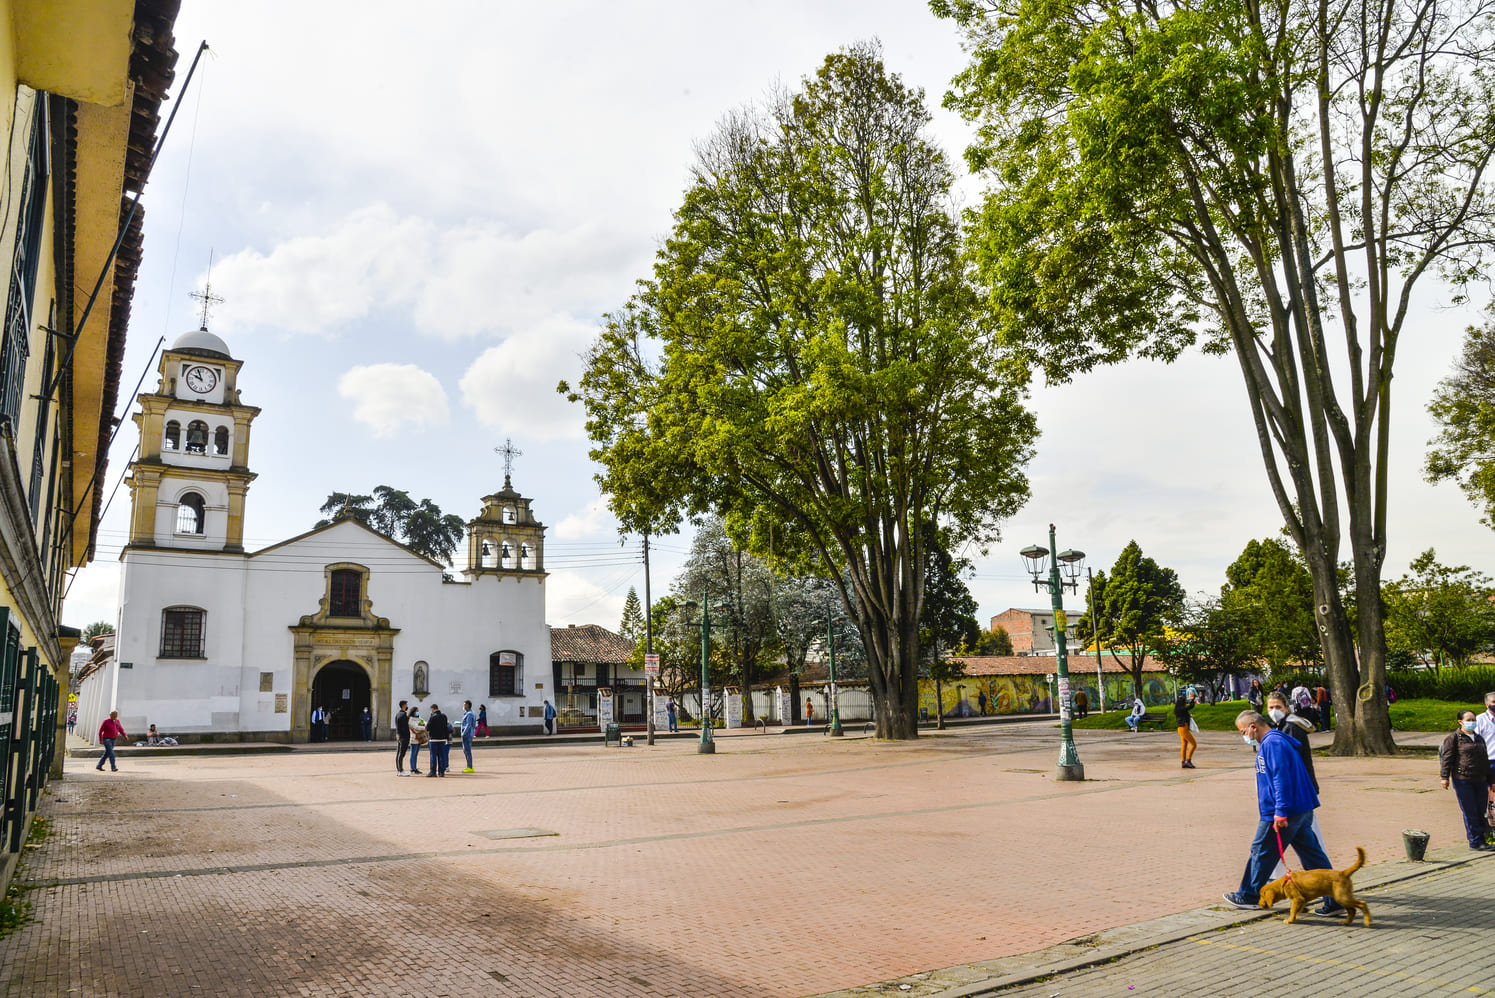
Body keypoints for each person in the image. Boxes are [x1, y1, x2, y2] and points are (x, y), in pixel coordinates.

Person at [1222, 710, 1337, 909]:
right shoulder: (1276, 742)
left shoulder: (1272, 744)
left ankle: (1249, 895)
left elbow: (1281, 779)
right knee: (1312, 855)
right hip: (1299, 808)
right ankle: (1335, 898)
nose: (1244, 736)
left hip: (1284, 810)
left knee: (1261, 850)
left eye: (1243, 732)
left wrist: (1280, 811)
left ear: (1253, 727)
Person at [1439, 709, 1492, 851]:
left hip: (1480, 779)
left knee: (1481, 810)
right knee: (1470, 811)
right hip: (1463, 780)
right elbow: (1447, 759)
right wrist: (1444, 777)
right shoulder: (1454, 738)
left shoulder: (1479, 738)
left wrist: (1491, 780)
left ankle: (1482, 839)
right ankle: (1475, 842)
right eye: (1468, 720)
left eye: (1474, 720)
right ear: (1460, 722)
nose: (1472, 723)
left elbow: (1485, 760)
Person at [1265, 691, 1318, 793]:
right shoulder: (1281, 725)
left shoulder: (1291, 727)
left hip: (1299, 783)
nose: (1274, 711)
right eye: (1271, 708)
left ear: (1286, 708)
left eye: (1278, 707)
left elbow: (1290, 759)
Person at [1473, 692, 1495, 777]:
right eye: (1494, 702)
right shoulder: (1479, 720)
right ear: (1487, 704)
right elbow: (1474, 741)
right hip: (1488, 761)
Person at [426, 704, 450, 777]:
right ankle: (441, 772)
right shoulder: (444, 716)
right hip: (442, 738)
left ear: (432, 709)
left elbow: (428, 728)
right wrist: (446, 737)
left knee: (433, 756)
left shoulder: (432, 717)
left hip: (433, 739)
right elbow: (446, 727)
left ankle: (433, 772)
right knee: (442, 756)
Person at [1174, 693, 1197, 769]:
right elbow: (1191, 706)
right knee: (1194, 744)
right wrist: (1193, 699)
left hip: (1183, 728)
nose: (1185, 703)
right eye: (1184, 701)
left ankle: (1183, 762)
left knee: (1184, 744)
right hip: (1183, 728)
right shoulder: (1181, 709)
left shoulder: (1178, 709)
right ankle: (1188, 761)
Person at [460, 700, 476, 773]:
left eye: (464, 705)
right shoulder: (468, 713)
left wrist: (464, 733)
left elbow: (468, 725)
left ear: (467, 705)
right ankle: (469, 766)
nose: (463, 706)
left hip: (467, 734)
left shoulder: (469, 714)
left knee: (467, 750)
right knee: (466, 750)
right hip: (468, 734)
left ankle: (470, 767)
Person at [407, 706, 425, 775]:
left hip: (420, 738)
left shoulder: (419, 718)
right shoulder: (411, 719)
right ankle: (412, 768)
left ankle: (415, 768)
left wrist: (422, 726)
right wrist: (422, 727)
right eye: (416, 711)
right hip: (414, 738)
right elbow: (415, 727)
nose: (417, 712)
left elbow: (424, 723)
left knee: (416, 754)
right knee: (413, 754)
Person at [394, 699, 410, 775]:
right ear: (403, 705)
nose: (407, 706)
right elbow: (405, 727)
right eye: (406, 705)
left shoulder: (397, 714)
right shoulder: (403, 715)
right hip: (404, 736)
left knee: (398, 753)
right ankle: (401, 770)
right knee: (402, 753)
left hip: (399, 735)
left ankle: (398, 769)